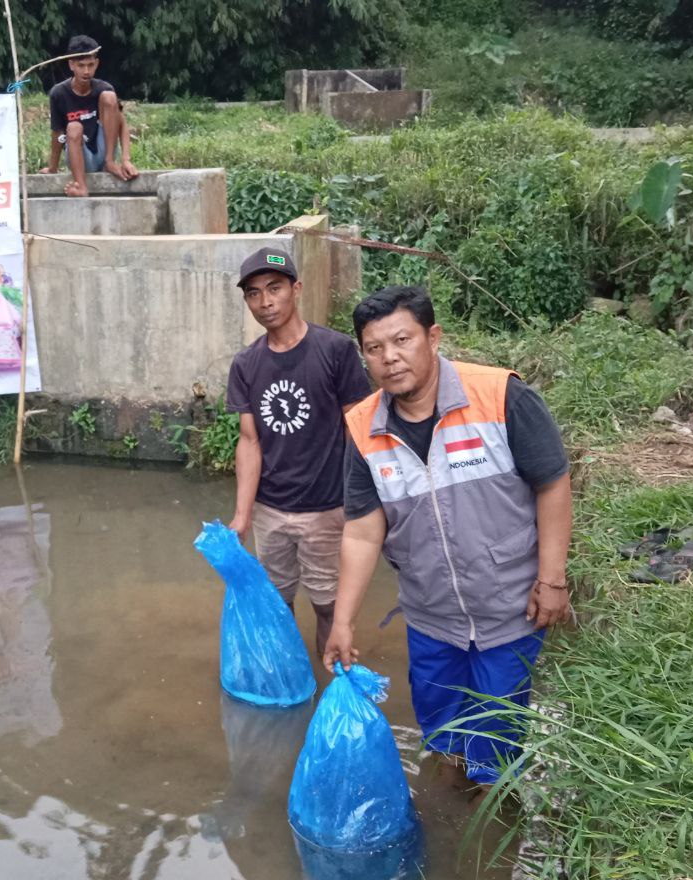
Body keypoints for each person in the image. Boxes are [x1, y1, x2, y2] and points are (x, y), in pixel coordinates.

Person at [323, 285, 573, 786]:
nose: (391, 358)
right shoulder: (362, 428)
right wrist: (343, 620)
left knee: (496, 741)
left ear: (433, 337)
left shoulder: (500, 396)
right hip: (430, 617)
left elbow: (552, 482)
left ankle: (489, 818)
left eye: (402, 340)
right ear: (364, 356)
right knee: (441, 734)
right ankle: (450, 813)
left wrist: (552, 579)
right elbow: (362, 532)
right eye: (375, 348)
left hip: (510, 611)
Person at [226, 247, 372, 660]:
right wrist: (242, 513)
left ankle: (330, 688)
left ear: (296, 289)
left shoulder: (336, 350)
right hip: (271, 508)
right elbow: (250, 441)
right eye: (254, 293)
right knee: (277, 603)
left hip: (327, 508)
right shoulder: (246, 364)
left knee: (328, 604)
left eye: (275, 288)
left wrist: (363, 504)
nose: (265, 301)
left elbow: (358, 430)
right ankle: (292, 683)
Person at [38, 35, 139, 197]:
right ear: (71, 65)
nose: (86, 71)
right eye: (81, 65)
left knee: (109, 97)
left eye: (90, 65)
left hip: (104, 150)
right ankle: (82, 186)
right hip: (79, 156)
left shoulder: (104, 88)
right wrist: (52, 167)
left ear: (97, 64)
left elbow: (122, 123)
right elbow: (57, 133)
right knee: (73, 126)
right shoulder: (58, 93)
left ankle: (109, 162)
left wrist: (126, 159)